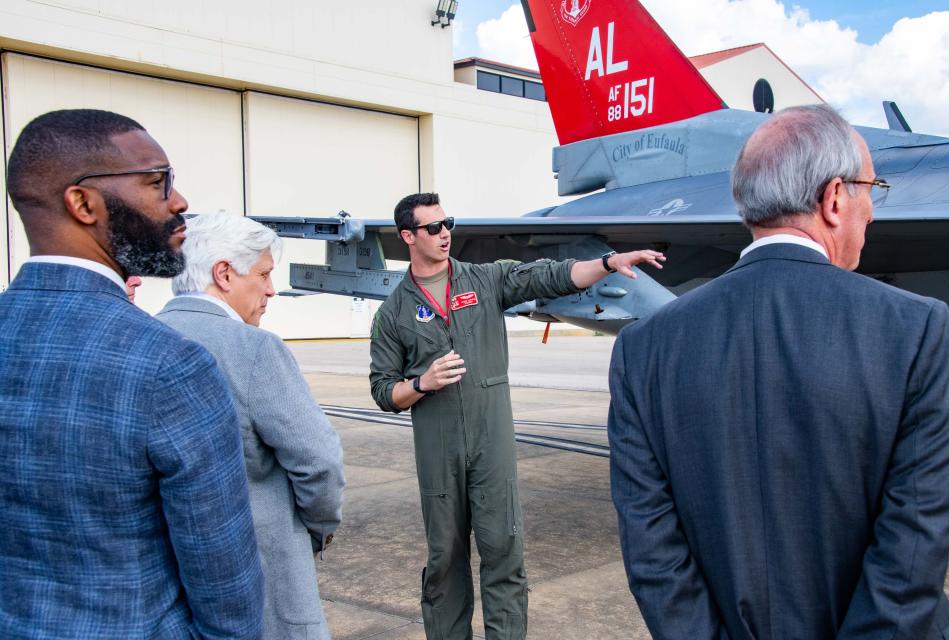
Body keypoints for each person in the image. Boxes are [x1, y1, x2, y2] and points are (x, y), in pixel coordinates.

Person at [608, 104, 949, 639]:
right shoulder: (916, 328)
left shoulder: (644, 348)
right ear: (835, 198)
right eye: (872, 189)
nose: (874, 212)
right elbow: (913, 543)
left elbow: (654, 554)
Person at [0, 109, 264, 639]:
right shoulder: (168, 366)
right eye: (156, 181)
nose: (179, 201)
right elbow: (225, 586)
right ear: (83, 203)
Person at [369, 192, 665, 639]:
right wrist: (420, 384)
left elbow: (551, 276)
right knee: (444, 558)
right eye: (433, 228)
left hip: (492, 445)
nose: (445, 233)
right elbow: (381, 390)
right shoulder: (393, 313)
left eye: (448, 223)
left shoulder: (484, 280)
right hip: (439, 449)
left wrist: (606, 263)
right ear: (408, 236)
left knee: (503, 550)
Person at [156, 212, 346, 640]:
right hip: (260, 578)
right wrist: (316, 527)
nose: (271, 289)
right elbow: (318, 461)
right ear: (224, 274)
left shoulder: (141, 338)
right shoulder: (253, 348)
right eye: (262, 274)